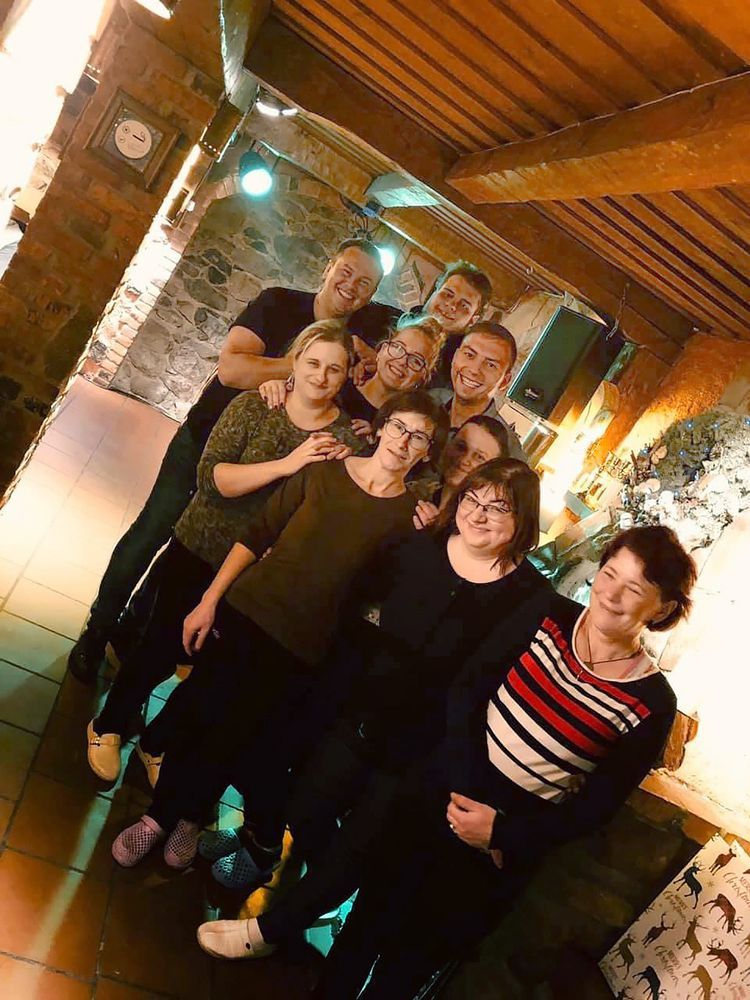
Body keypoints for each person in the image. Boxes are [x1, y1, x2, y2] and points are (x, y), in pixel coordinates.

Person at [287, 525, 695, 999]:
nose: (612, 594)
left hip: (497, 851)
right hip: (440, 795)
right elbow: (467, 689)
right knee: (362, 930)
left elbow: (595, 809)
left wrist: (501, 834)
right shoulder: (548, 613)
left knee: (408, 968)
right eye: (609, 574)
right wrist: (464, 793)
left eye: (635, 589)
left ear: (662, 609)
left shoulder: (652, 703)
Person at [194, 459, 553, 951]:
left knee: (361, 839)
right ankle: (319, 883)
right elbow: (360, 601)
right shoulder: (421, 546)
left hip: (425, 746)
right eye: (473, 499)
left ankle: (273, 929)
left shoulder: (531, 595)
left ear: (522, 521)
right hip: (359, 711)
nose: (479, 513)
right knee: (307, 807)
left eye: (499, 508)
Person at [108, 390, 450, 870]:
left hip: (305, 644)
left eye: (418, 437)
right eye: (399, 427)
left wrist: (429, 540)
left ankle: (190, 818)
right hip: (248, 611)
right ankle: (157, 817)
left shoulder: (408, 521)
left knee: (238, 733)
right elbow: (258, 533)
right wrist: (209, 599)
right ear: (382, 426)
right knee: (198, 711)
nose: (403, 441)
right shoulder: (325, 471)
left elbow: (380, 597)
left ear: (427, 452)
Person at [68, 238, 395, 682]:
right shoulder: (279, 304)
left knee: (185, 555)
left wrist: (363, 427)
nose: (351, 286)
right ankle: (96, 631)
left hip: (256, 475)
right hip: (202, 441)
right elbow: (232, 369)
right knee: (151, 533)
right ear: (328, 267)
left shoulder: (353, 346)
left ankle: (129, 642)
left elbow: (340, 402)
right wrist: (304, 362)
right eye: (347, 272)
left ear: (371, 295)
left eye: (365, 283)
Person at [85, 320, 361, 784]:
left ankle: (155, 743)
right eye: (313, 362)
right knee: (162, 645)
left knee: (207, 668)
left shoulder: (345, 441)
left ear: (347, 374)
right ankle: (108, 723)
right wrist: (288, 464)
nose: (321, 375)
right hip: (203, 545)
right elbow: (214, 479)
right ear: (295, 361)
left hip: (260, 575)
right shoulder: (255, 405)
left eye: (334, 368)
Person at [261, 316, 445, 425]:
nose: (402, 361)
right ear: (381, 349)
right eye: (398, 348)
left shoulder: (398, 427)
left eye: (416, 361)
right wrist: (278, 386)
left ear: (423, 377)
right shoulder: (336, 383)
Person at [431, 321, 525, 460]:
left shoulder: (507, 451)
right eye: (469, 355)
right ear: (455, 357)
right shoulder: (430, 400)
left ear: (504, 381)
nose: (474, 370)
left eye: (490, 365)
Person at [413, 414, 509, 529]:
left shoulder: (478, 529)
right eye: (461, 447)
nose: (464, 460)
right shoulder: (417, 490)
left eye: (479, 457)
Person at [408, 261, 492, 387]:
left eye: (464, 305)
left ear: (472, 320)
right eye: (448, 294)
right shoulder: (385, 320)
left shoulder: (457, 371)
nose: (452, 305)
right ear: (436, 290)